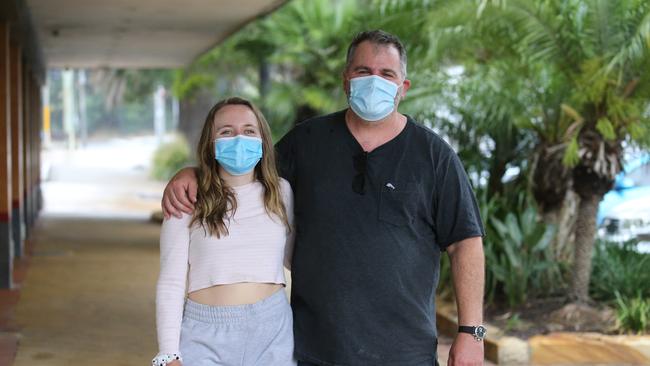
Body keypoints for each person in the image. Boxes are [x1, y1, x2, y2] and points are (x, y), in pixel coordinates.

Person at [162, 30, 486, 366]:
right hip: (313, 350)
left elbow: (465, 242)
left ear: (403, 88)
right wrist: (193, 173)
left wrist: (471, 332)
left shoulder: (434, 156)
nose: (374, 81)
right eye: (363, 71)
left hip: (404, 352)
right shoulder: (306, 142)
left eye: (386, 74)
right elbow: (245, 171)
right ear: (346, 80)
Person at [152, 97, 296, 366]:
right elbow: (171, 282)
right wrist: (168, 354)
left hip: (272, 331)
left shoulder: (282, 193)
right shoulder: (187, 198)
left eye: (249, 131)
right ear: (211, 142)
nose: (239, 139)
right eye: (226, 131)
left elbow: (294, 258)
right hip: (205, 334)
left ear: (263, 140)